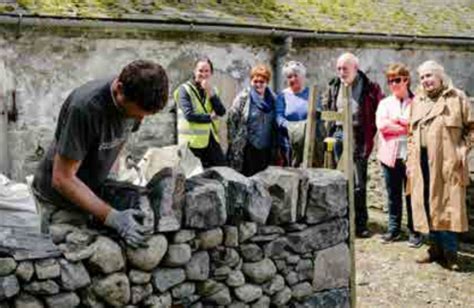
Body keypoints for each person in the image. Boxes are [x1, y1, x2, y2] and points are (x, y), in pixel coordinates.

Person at [32, 60, 169, 248]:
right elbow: (62, 179)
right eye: (137, 114)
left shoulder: (137, 98)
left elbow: (121, 137)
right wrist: (113, 218)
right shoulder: (85, 108)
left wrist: (109, 177)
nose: (139, 120)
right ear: (119, 89)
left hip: (91, 191)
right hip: (58, 200)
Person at [407, 60, 473, 270]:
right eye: (422, 77)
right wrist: (410, 159)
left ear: (440, 76)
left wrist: (464, 148)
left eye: (429, 75)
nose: (425, 80)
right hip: (421, 163)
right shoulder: (417, 101)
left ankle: (451, 252)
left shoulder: (457, 98)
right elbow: (410, 134)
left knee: (448, 206)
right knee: (428, 204)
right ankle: (434, 248)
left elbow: (472, 128)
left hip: (448, 163)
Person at [322, 52, 384, 238]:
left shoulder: (370, 87)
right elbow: (327, 108)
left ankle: (360, 224)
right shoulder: (333, 86)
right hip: (339, 133)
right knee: (339, 179)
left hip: (359, 135)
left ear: (355, 69)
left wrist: (370, 136)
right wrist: (329, 132)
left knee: (358, 183)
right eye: (339, 68)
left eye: (345, 68)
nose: (341, 72)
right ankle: (342, 220)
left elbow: (378, 114)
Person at [376, 63, 422, 247]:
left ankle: (415, 231)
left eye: (396, 80)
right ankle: (394, 229)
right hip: (390, 156)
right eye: (390, 81)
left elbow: (417, 127)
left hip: (411, 156)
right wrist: (404, 125)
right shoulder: (385, 103)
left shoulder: (418, 102)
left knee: (412, 195)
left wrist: (398, 122)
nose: (393, 84)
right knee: (393, 194)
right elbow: (383, 127)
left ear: (406, 80)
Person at [175, 57, 226, 168]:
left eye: (207, 71)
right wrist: (210, 117)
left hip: (209, 139)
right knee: (192, 176)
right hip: (191, 142)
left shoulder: (212, 89)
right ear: (194, 71)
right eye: (200, 71)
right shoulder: (184, 90)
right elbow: (189, 115)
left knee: (221, 169)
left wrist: (210, 93)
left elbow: (221, 111)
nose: (203, 74)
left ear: (211, 73)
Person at [227, 64, 276, 176]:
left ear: (267, 82)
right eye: (255, 81)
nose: (258, 84)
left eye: (262, 82)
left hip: (266, 149)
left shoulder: (273, 99)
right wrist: (234, 143)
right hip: (247, 148)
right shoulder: (243, 98)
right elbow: (231, 120)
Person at [275, 61, 310, 167]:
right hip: (287, 145)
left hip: (307, 143)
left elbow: (317, 114)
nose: (293, 79)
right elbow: (278, 117)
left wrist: (305, 126)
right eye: (289, 77)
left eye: (296, 75)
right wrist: (293, 127)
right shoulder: (282, 96)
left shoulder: (311, 94)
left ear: (303, 77)